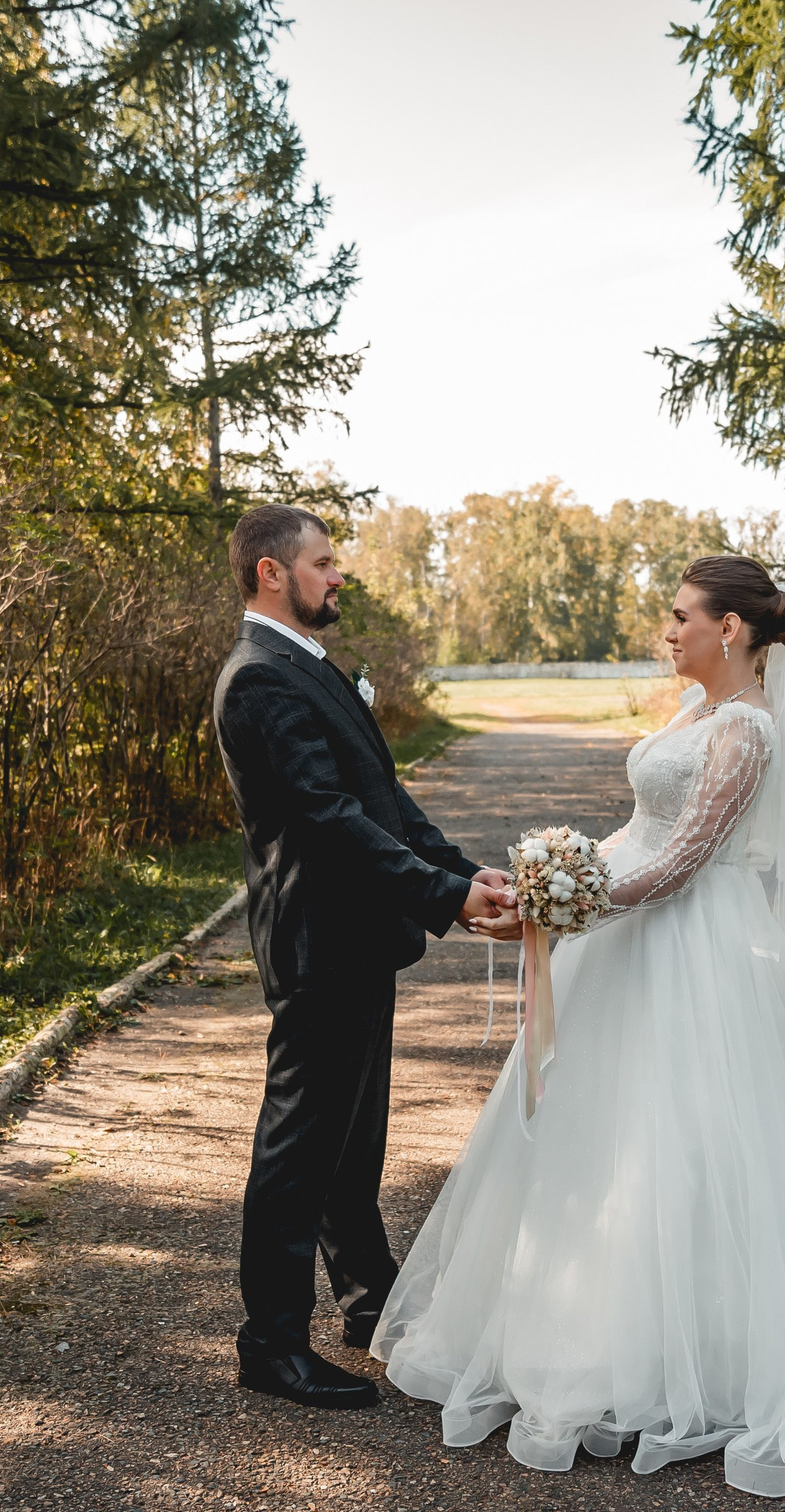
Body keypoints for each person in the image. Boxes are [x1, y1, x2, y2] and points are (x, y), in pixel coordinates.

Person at [372, 555, 785, 1494]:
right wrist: (553, 876)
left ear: (730, 628)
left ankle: (707, 1351)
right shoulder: (691, 716)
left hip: (697, 951)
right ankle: (588, 1324)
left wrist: (570, 902)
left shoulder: (749, 731)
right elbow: (642, 831)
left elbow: (684, 863)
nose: (670, 630)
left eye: (683, 616)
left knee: (696, 1138)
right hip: (630, 944)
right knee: (609, 1140)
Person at [210, 505, 519, 1410]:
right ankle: (270, 1343)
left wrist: (462, 869)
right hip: (317, 942)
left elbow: (381, 800)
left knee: (353, 1138)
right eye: (323, 561)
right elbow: (326, 820)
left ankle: (365, 1298)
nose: (337, 575)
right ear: (273, 573)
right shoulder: (257, 680)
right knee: (299, 1147)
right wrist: (446, 899)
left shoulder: (306, 666)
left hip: (356, 939)